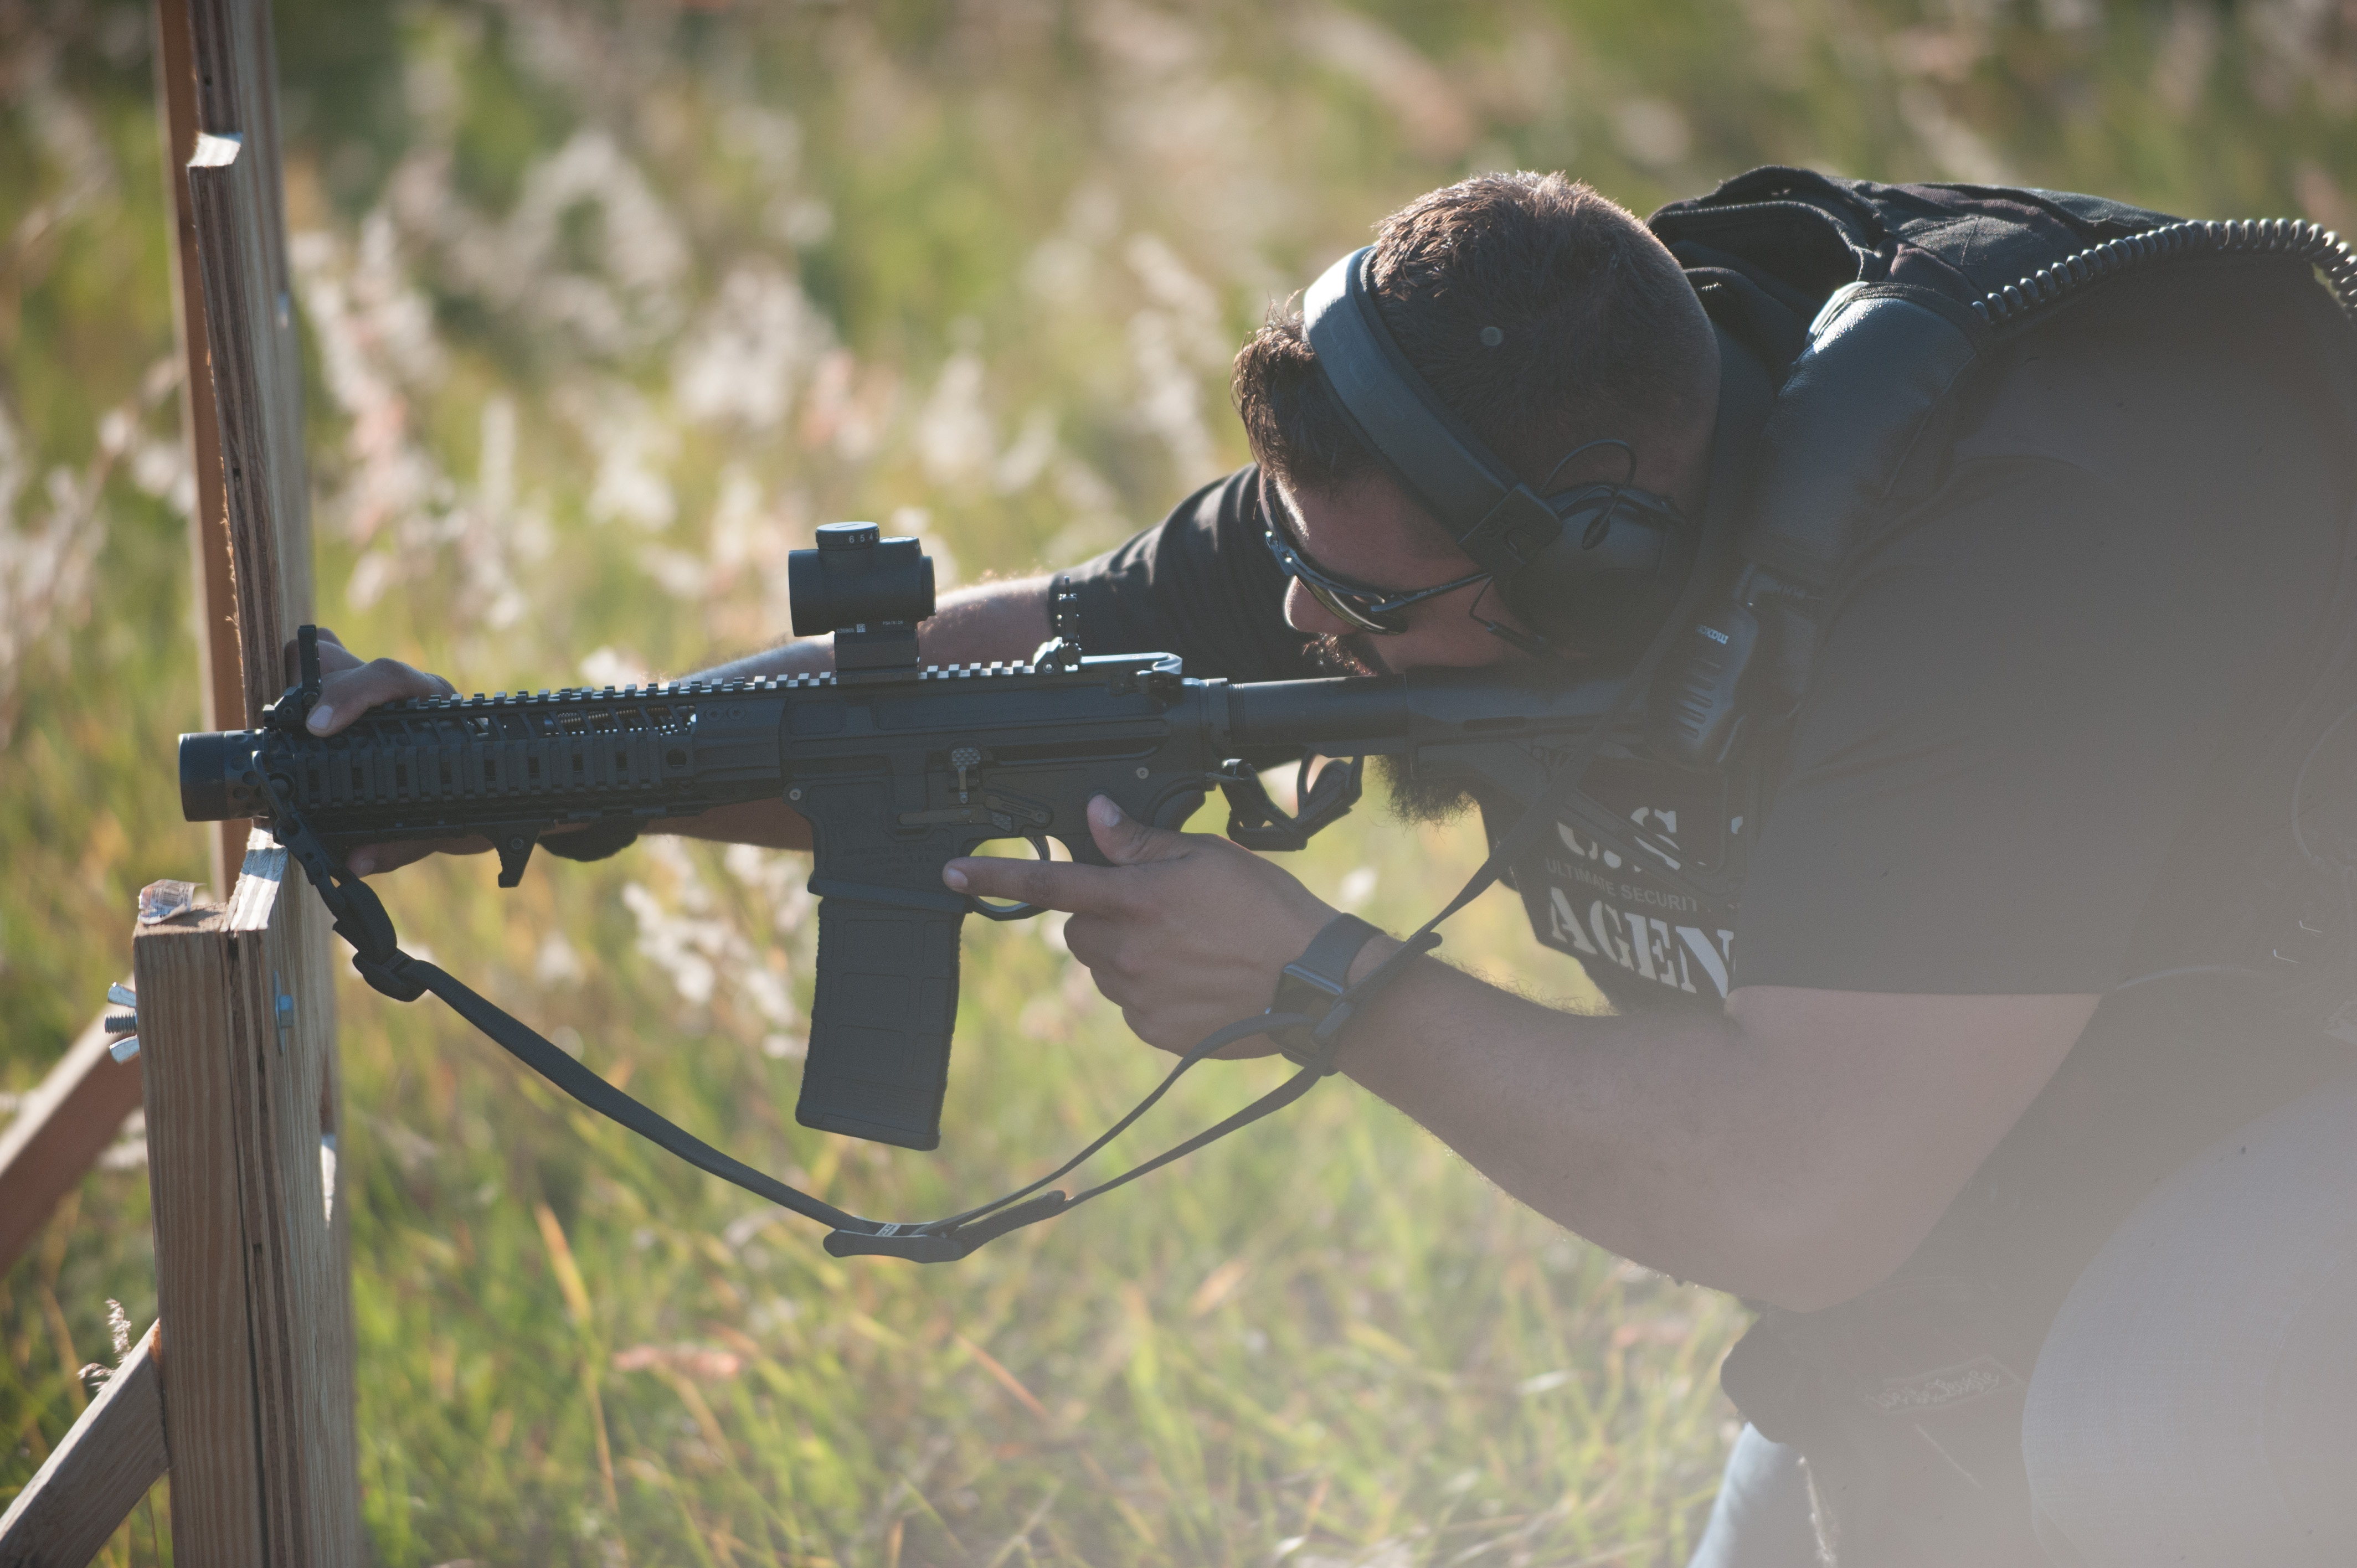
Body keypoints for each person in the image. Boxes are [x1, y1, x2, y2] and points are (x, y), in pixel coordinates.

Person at [306, 168, 2357, 1565]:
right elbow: (983, 694)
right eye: (1287, 561)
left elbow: (1796, 1191)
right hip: (2062, 1154)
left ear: (1599, 557)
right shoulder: (1418, 509)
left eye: (1361, 607)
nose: (1304, 634)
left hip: (2295, 1113)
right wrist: (530, 768)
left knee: (2144, 1437)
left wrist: (1324, 983)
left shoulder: (2014, 577)